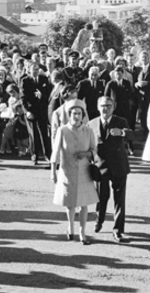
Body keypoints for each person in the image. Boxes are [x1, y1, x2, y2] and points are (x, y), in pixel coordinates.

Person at [50, 98, 99, 244]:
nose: (76, 116)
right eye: (73, 113)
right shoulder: (63, 130)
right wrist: (53, 171)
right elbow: (55, 151)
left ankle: (82, 232)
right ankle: (70, 226)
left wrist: (86, 154)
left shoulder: (89, 131)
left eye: (79, 113)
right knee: (70, 203)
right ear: (69, 114)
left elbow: (94, 150)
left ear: (82, 115)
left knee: (84, 204)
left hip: (84, 171)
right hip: (67, 170)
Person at [89, 96, 132, 243]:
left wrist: (122, 133)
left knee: (119, 199)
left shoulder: (120, 121)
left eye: (108, 106)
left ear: (113, 107)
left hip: (119, 165)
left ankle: (118, 230)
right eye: (102, 106)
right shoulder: (91, 124)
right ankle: (99, 220)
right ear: (98, 107)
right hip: (100, 167)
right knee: (101, 197)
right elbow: (87, 145)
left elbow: (131, 134)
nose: (105, 108)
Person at [21, 60, 52, 162]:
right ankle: (34, 155)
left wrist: (42, 96)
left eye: (37, 69)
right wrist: (27, 111)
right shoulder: (25, 81)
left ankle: (47, 155)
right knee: (33, 134)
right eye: (33, 69)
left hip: (42, 111)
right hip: (31, 111)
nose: (35, 71)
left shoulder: (44, 79)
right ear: (29, 70)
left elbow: (49, 95)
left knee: (44, 133)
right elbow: (23, 98)